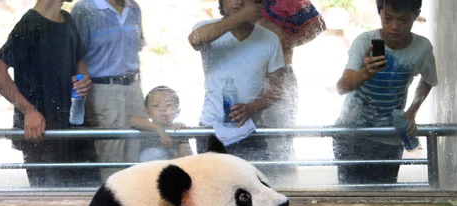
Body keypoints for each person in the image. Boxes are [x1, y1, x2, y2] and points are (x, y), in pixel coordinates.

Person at [0, 0, 95, 188]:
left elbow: (79, 60)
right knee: (52, 201)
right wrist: (28, 111)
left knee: (89, 192)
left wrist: (83, 78)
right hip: (42, 133)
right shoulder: (30, 24)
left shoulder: (67, 19)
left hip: (74, 129)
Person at [333, 0, 437, 185]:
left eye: (403, 20)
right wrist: (365, 73)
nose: (394, 26)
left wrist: (412, 112)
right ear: (379, 13)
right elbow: (342, 87)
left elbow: (428, 80)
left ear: (415, 16)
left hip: (389, 136)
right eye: (387, 18)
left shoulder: (422, 48)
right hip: (350, 132)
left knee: (384, 194)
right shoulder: (365, 42)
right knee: (349, 196)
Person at [189, 0, 284, 160]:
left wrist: (252, 107)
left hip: (250, 130)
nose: (239, 1)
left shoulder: (270, 39)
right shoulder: (206, 28)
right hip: (210, 128)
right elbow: (195, 40)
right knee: (211, 183)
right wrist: (239, 17)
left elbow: (278, 90)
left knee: (256, 182)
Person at [71, 0, 146, 175]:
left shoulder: (133, 8)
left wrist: (139, 93)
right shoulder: (84, 9)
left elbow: (134, 52)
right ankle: (112, 201)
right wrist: (86, 103)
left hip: (132, 87)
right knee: (112, 153)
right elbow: (75, 57)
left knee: (136, 150)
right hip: (102, 90)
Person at [257, 1, 325, 164]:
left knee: (279, 143)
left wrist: (283, 44)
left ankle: (282, 184)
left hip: (279, 74)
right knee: (241, 136)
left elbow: (318, 25)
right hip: (242, 74)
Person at [129, 86, 193, 161]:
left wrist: (183, 138)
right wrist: (159, 129)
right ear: (146, 113)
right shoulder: (145, 126)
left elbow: (187, 159)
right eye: (156, 105)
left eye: (169, 105)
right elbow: (132, 120)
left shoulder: (177, 130)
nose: (163, 109)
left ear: (177, 112)